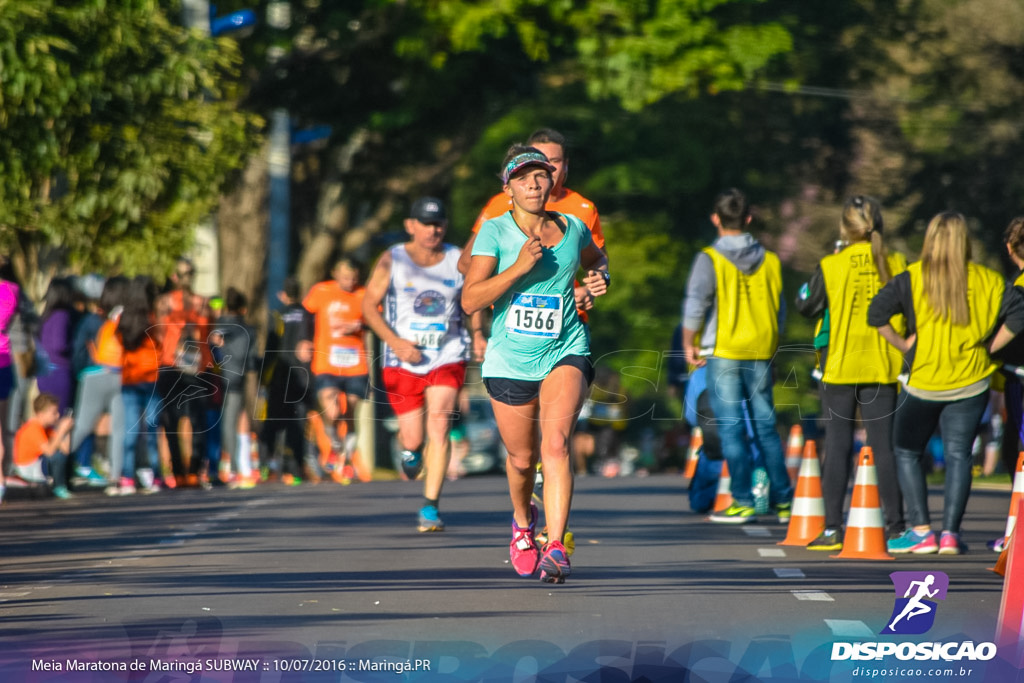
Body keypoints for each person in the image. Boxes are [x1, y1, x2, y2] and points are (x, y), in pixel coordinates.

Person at [462, 145, 610, 584]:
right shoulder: (494, 232)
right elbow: (470, 298)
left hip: (564, 348)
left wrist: (601, 277)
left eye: (541, 175)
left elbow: (596, 259)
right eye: (523, 177)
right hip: (509, 358)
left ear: (552, 183)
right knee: (522, 460)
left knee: (557, 445)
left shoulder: (575, 228)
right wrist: (518, 269)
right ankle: (523, 523)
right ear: (507, 188)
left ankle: (558, 545)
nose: (533, 183)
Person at [869, 211, 1024, 554]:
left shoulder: (912, 277)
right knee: (959, 455)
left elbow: (876, 313)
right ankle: (951, 534)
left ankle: (921, 530)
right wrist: (989, 347)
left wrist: (904, 344)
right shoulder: (990, 280)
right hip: (971, 381)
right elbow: (1019, 315)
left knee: (906, 450)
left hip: (923, 380)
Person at [794, 196, 907, 550]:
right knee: (883, 446)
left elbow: (805, 303)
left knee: (838, 443)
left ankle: (832, 528)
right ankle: (897, 527)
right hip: (883, 363)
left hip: (840, 364)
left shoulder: (832, 264)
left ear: (845, 228)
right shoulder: (897, 262)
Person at [362, 197, 481, 531]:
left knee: (440, 425)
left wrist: (479, 334)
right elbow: (369, 307)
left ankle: (430, 506)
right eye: (426, 224)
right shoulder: (393, 259)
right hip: (402, 360)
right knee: (412, 439)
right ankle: (411, 453)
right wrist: (396, 342)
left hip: (448, 353)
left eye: (439, 223)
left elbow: (474, 301)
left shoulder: (458, 259)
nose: (433, 230)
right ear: (410, 225)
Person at [681, 188, 793, 524]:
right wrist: (774, 349)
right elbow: (780, 311)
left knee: (730, 428)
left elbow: (695, 303)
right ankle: (785, 501)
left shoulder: (710, 259)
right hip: (760, 351)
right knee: (767, 428)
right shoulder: (771, 261)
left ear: (716, 219)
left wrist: (689, 340)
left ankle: (743, 500)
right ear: (748, 218)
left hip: (725, 351)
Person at [303, 258, 368, 483]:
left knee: (350, 411)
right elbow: (304, 315)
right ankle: (336, 445)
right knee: (331, 410)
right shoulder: (321, 291)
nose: (350, 281)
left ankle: (347, 458)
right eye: (346, 277)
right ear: (335, 274)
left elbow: (376, 318)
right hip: (327, 362)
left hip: (355, 364)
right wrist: (303, 340)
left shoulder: (363, 294)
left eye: (354, 277)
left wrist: (359, 325)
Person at [155, 258, 214, 487]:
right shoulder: (170, 302)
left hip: (190, 365)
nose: (186, 278)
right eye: (183, 274)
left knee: (193, 418)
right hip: (176, 364)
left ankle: (191, 470)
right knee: (175, 419)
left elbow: (208, 329)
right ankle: (182, 471)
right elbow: (159, 333)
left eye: (188, 273)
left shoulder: (198, 303)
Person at [68, 276, 130, 487]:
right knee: (120, 427)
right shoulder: (126, 317)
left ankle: (53, 466)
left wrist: (79, 373)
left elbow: (78, 350)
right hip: (121, 374)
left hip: (94, 374)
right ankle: (116, 476)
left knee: (82, 425)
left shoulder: (92, 320)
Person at [259, 277, 315, 483]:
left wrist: (263, 377)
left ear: (283, 295)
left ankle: (265, 465)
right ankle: (297, 468)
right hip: (303, 376)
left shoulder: (278, 315)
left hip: (280, 376)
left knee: (272, 422)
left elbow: (271, 348)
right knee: (297, 423)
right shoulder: (308, 315)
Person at [115, 276, 164, 495]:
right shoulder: (152, 319)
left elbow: (118, 345)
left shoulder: (123, 321)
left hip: (130, 380)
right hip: (151, 379)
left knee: (130, 431)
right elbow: (160, 346)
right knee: (152, 431)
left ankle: (127, 478)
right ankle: (155, 477)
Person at [211, 287, 259, 488]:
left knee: (216, 422)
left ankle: (220, 466)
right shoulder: (247, 330)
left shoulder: (214, 327)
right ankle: (234, 469)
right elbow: (251, 360)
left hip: (210, 378)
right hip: (234, 380)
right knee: (231, 422)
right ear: (242, 308)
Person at [12, 392, 75, 499]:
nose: (57, 415)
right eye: (54, 413)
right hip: (27, 468)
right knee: (56, 456)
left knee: (63, 455)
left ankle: (63, 485)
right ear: (41, 414)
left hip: (37, 465)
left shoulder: (47, 428)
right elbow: (50, 452)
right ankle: (58, 486)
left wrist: (67, 431)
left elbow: (66, 450)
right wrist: (61, 431)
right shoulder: (33, 428)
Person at [35, 277, 79, 413]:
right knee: (60, 418)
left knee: (47, 417)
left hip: (44, 373)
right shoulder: (62, 316)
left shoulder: (46, 315)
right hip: (59, 373)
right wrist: (75, 345)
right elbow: (59, 345)